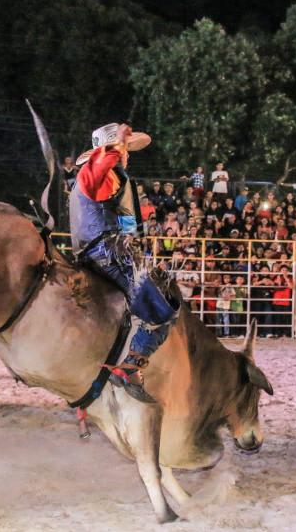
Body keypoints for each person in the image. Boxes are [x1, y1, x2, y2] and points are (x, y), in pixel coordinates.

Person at [69, 122, 176, 402]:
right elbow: (97, 173)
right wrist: (117, 145)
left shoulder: (107, 176)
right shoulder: (97, 173)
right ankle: (130, 367)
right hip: (108, 249)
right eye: (125, 150)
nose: (127, 154)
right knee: (162, 307)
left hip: (101, 248)